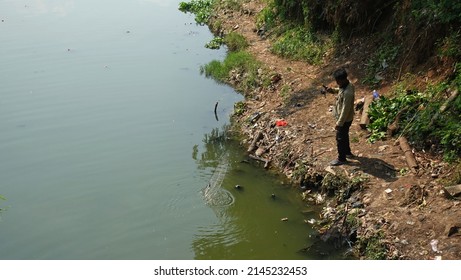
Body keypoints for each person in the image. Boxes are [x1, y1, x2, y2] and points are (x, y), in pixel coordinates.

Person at [325, 68, 355, 166]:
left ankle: (341, 158)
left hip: (345, 119)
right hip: (347, 118)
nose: (337, 83)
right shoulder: (347, 85)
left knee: (340, 138)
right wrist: (332, 90)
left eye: (338, 81)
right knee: (345, 135)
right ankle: (347, 152)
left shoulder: (348, 93)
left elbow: (345, 109)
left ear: (342, 80)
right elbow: (340, 90)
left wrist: (339, 123)